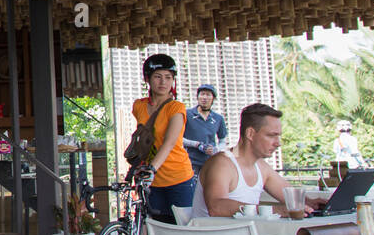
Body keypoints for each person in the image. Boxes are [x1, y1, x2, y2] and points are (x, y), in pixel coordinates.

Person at [192, 103, 329, 217]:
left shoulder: (262, 167)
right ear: (250, 133)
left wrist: (311, 203)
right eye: (272, 135)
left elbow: (291, 197)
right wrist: (276, 210)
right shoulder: (222, 163)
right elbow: (216, 207)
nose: (278, 143)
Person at [130, 54, 195, 224]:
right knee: (157, 229)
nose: (163, 82)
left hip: (178, 177)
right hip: (152, 181)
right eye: (157, 77)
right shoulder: (139, 106)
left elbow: (170, 142)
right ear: (148, 79)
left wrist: (152, 169)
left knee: (183, 229)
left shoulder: (176, 107)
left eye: (168, 77)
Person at [183, 83, 227, 174]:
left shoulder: (218, 118)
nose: (204, 98)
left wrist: (216, 149)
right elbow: (177, 138)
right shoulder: (187, 114)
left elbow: (223, 140)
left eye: (208, 95)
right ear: (197, 97)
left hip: (210, 163)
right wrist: (197, 145)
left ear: (213, 99)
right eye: (202, 94)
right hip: (189, 162)